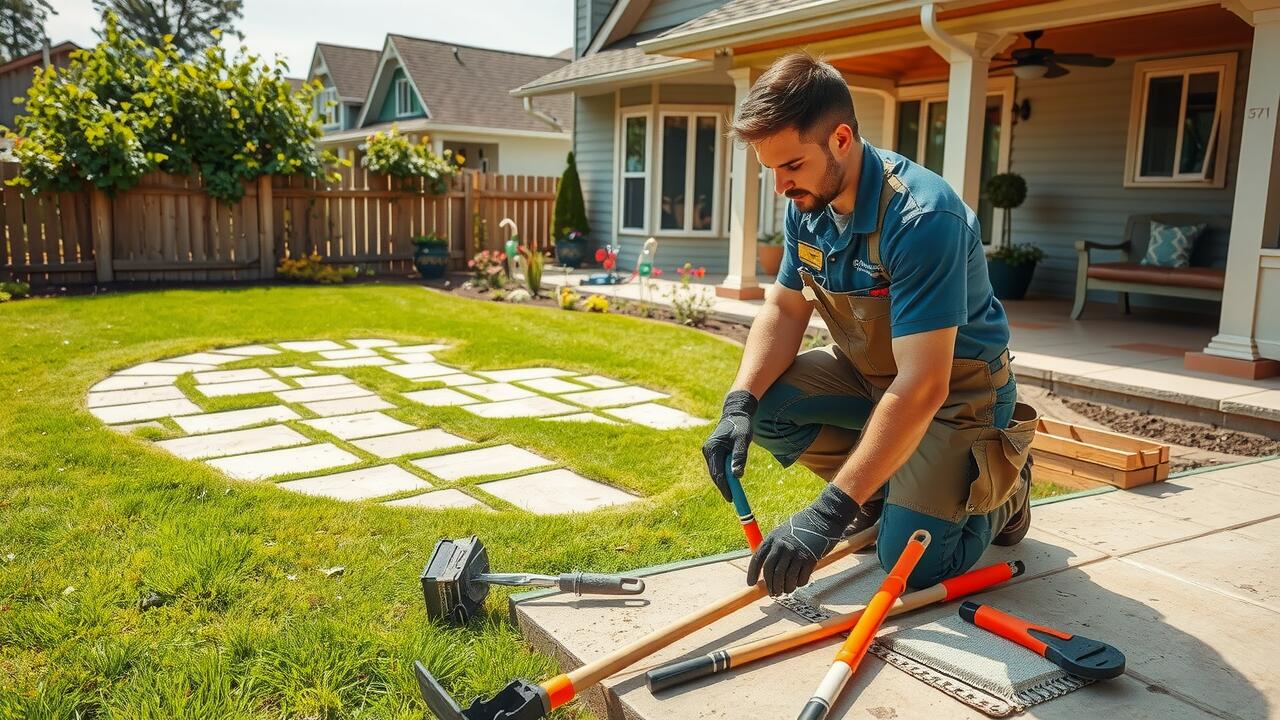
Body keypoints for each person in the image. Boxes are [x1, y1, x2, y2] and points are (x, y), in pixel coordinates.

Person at [703, 53, 1039, 597]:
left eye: (791, 166)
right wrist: (737, 403)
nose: (780, 186)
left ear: (840, 138)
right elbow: (786, 310)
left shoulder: (922, 219)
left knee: (913, 568)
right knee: (766, 408)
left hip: (957, 392)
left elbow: (925, 384)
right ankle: (890, 487)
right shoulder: (808, 202)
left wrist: (831, 510)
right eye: (771, 171)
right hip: (874, 379)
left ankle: (1008, 489)